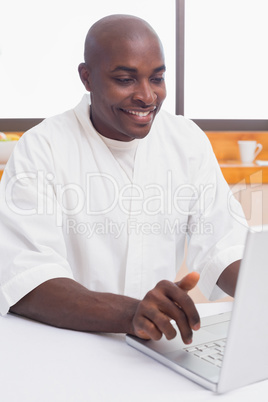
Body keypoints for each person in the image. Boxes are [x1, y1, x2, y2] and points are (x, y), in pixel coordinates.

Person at [0, 14, 247, 344]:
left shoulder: (185, 140)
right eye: (126, 80)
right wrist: (130, 314)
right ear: (87, 77)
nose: (147, 96)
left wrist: (261, 289)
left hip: (153, 347)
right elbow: (28, 277)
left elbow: (225, 244)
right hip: (65, 344)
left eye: (156, 79)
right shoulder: (42, 147)